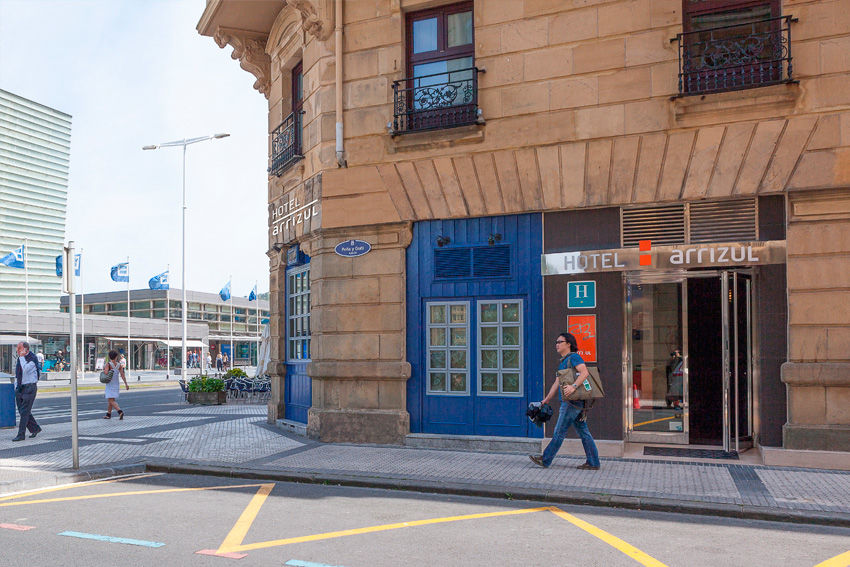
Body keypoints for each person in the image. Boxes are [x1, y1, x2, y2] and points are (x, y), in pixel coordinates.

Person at [529, 332, 600, 470]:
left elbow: (584, 372)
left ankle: (545, 459)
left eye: (559, 342)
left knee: (559, 431)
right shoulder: (563, 362)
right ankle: (593, 462)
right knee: (584, 432)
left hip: (571, 403)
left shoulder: (574, 357)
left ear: (568, 344)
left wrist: (573, 387)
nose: (556, 344)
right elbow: (557, 383)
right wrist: (546, 400)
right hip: (573, 402)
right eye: (556, 342)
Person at [13, 341, 42, 441]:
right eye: (17, 349)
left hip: (30, 387)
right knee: (22, 411)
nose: (17, 351)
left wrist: (21, 357)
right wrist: (16, 386)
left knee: (25, 412)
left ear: (26, 349)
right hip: (21, 387)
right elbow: (18, 373)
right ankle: (35, 428)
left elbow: (25, 369)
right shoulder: (20, 359)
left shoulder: (32, 359)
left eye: (19, 349)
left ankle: (21, 435)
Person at [103, 349, 130, 420]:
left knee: (111, 400)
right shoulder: (119, 365)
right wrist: (126, 384)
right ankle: (108, 414)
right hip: (116, 384)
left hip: (110, 384)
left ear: (109, 357)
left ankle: (120, 411)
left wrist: (104, 370)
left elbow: (105, 373)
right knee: (111, 399)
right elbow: (122, 375)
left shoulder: (108, 364)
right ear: (116, 357)